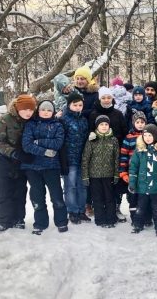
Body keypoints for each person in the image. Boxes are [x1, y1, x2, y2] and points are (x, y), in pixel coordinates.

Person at [0, 94, 36, 233]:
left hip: (20, 163)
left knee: (20, 191)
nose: (28, 113)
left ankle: (18, 219)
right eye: (25, 109)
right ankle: (3, 220)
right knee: (3, 192)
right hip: (2, 161)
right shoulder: (5, 120)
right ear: (17, 108)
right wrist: (14, 153)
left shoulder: (31, 121)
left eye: (31, 110)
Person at [22, 100, 68, 235]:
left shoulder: (57, 125)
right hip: (32, 167)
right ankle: (40, 223)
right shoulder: (31, 124)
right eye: (43, 109)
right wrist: (44, 151)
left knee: (57, 196)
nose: (46, 112)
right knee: (37, 196)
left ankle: (61, 221)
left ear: (53, 112)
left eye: (49, 110)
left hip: (51, 166)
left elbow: (57, 143)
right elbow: (26, 145)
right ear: (38, 110)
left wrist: (38, 142)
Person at [129, 124, 157, 236]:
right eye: (145, 135)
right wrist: (132, 183)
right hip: (142, 187)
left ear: (155, 136)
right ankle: (138, 225)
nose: (147, 138)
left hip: (156, 187)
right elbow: (133, 168)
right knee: (140, 207)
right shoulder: (139, 151)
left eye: (150, 135)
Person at [81, 115, 119, 228]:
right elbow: (85, 158)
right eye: (101, 124)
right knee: (97, 199)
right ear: (97, 126)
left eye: (106, 124)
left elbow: (116, 158)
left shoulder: (113, 140)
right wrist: (85, 176)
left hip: (109, 175)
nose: (104, 126)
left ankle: (111, 218)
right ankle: (100, 219)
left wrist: (116, 174)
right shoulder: (92, 139)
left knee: (110, 198)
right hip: (94, 176)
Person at [60, 93, 90, 224]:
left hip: (82, 159)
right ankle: (72, 211)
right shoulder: (64, 120)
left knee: (82, 186)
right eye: (75, 105)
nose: (78, 107)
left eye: (80, 105)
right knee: (70, 186)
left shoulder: (83, 119)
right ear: (69, 105)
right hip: (69, 159)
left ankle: (81, 210)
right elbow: (61, 141)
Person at [118, 111, 149, 225]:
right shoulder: (128, 138)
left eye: (142, 122)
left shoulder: (148, 137)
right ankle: (135, 219)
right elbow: (124, 156)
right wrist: (123, 173)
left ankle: (145, 218)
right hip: (132, 174)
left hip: (145, 173)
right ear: (133, 123)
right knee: (133, 197)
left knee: (144, 196)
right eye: (138, 122)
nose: (140, 124)